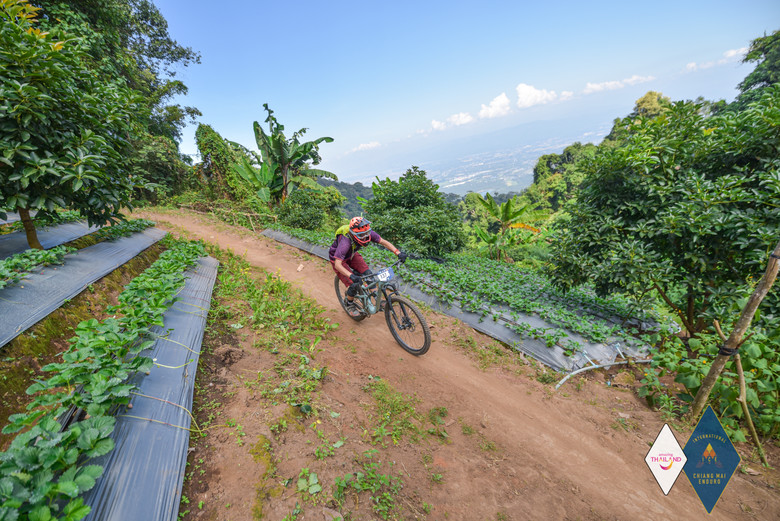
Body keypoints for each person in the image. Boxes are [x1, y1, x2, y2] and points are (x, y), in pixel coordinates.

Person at [329, 217, 407, 313]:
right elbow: (338, 264)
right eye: (362, 234)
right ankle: (349, 303)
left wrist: (398, 253)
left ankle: (375, 297)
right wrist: (351, 276)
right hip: (338, 259)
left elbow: (383, 242)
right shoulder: (345, 241)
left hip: (352, 254)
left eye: (367, 233)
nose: (365, 236)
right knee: (355, 284)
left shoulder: (367, 233)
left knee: (368, 274)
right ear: (354, 233)